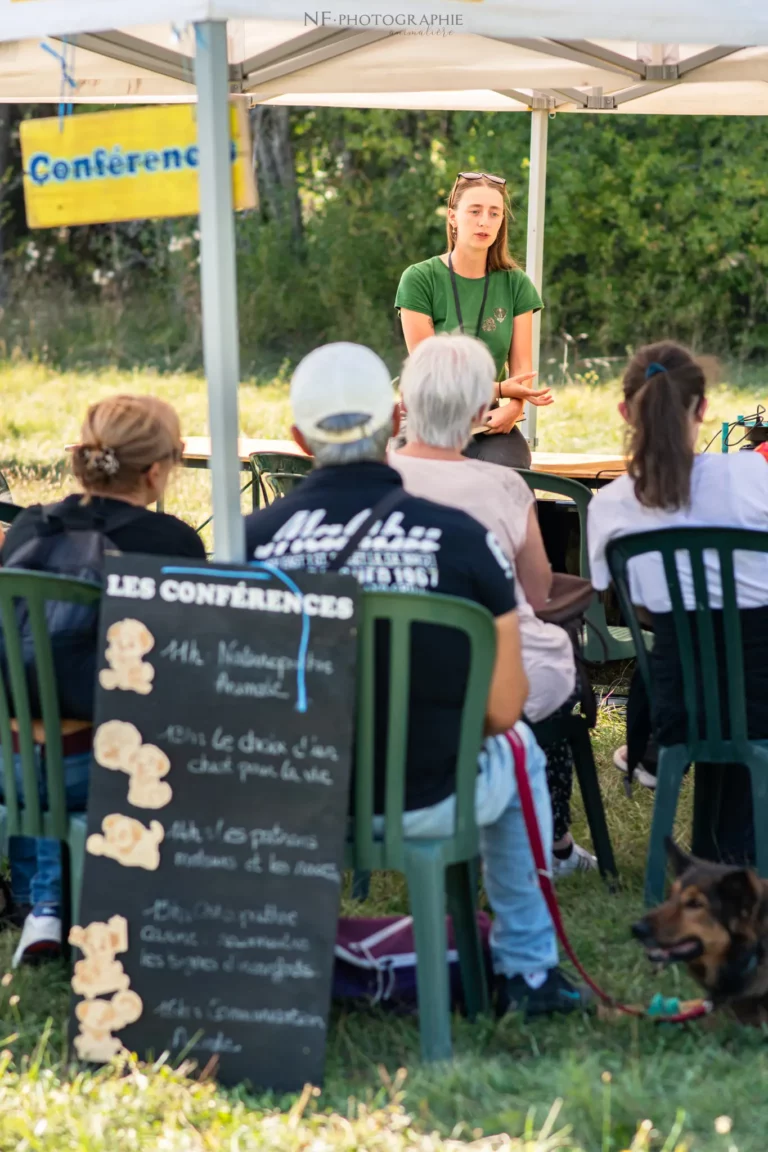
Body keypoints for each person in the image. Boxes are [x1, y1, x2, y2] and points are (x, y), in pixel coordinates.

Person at [244, 341, 591, 1018]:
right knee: (518, 745)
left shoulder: (248, 542)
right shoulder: (461, 538)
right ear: (395, 416)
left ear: (295, 439)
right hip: (432, 795)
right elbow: (504, 707)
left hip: (289, 799)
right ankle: (530, 972)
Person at [0, 394, 205, 965]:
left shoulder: (27, 530)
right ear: (159, 471)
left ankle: (44, 903)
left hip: (12, 768)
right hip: (110, 771)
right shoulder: (172, 543)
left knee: (47, 719)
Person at [390, 332, 595, 877]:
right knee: (551, 669)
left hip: (384, 681)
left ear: (404, 405)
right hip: (489, 684)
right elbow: (535, 591)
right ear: (483, 410)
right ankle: (552, 841)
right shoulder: (503, 487)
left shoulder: (370, 482)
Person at [587, 341, 768, 865]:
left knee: (686, 645)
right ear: (703, 408)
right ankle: (732, 861)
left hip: (680, 702)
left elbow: (632, 605)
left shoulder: (612, 503)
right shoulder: (755, 476)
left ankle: (656, 759)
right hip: (760, 690)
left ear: (625, 411)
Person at [394, 170, 553, 469]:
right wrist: (504, 390)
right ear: (453, 217)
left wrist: (514, 407)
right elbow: (432, 377)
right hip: (428, 417)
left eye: (495, 213)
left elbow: (522, 373)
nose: (484, 222)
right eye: (475, 211)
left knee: (508, 481)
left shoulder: (516, 283)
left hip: (488, 420)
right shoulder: (418, 278)